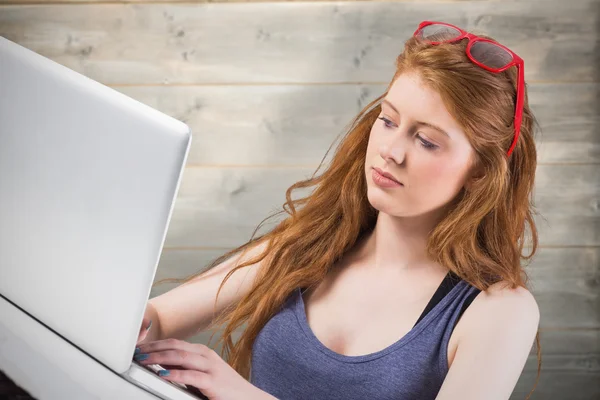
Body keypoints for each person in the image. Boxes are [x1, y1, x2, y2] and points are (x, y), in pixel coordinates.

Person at [133, 20, 542, 400]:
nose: (390, 151)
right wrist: (137, 320)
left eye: (427, 141)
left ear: (482, 171)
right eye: (388, 121)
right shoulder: (309, 247)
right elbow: (159, 320)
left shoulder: (498, 311)